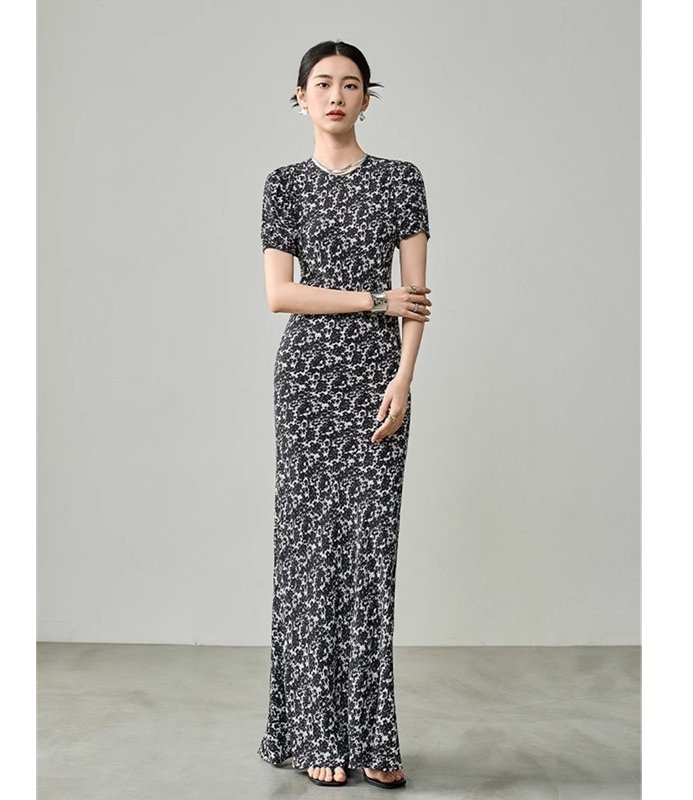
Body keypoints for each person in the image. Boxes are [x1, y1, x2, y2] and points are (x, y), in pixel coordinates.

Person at [257, 39, 432, 790]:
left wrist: (404, 379)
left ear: (367, 97)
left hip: (377, 382)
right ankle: (316, 732)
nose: (336, 95)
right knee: (308, 555)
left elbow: (416, 300)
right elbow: (280, 295)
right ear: (300, 96)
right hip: (306, 382)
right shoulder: (284, 185)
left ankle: (374, 735)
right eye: (322, 84)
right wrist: (372, 299)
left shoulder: (401, 180)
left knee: (370, 555)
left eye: (351, 84)